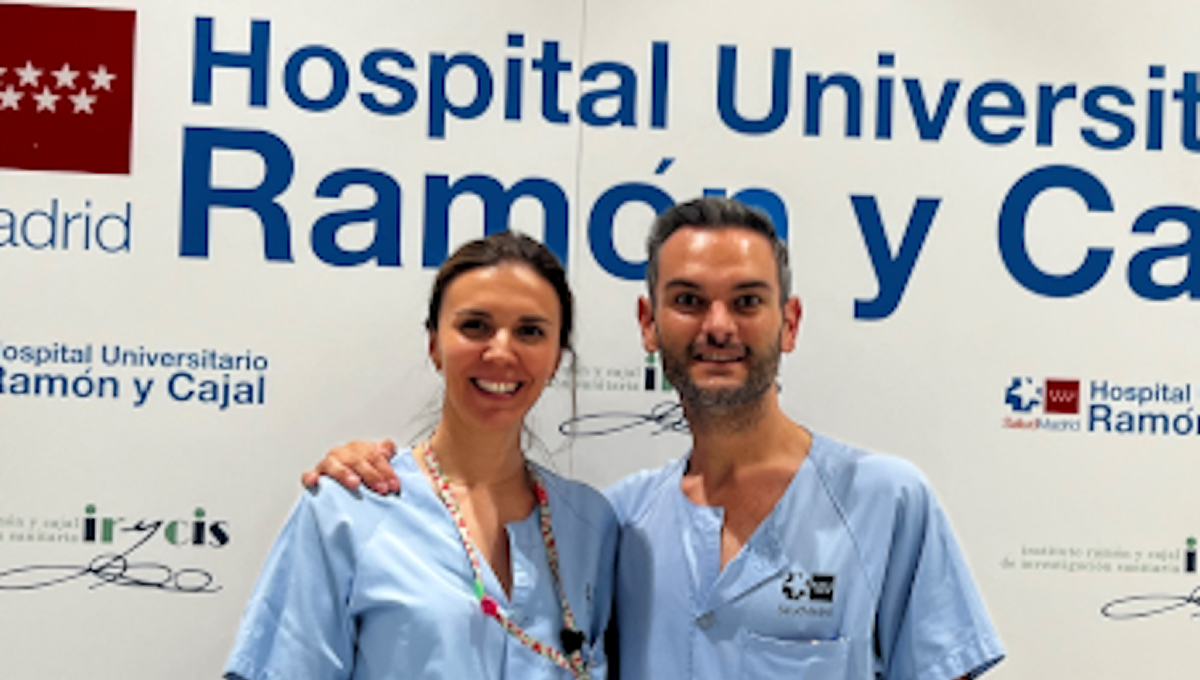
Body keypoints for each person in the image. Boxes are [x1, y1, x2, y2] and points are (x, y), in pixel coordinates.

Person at [306, 197, 1005, 680]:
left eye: (748, 301)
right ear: (649, 324)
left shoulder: (886, 503)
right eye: (689, 300)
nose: (719, 326)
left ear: (789, 322)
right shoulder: (614, 527)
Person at [226, 232, 617, 680]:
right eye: (475, 326)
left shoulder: (591, 525)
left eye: (530, 331)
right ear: (434, 344)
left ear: (556, 359)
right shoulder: (349, 508)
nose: (501, 351)